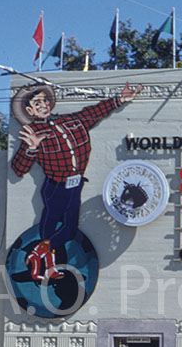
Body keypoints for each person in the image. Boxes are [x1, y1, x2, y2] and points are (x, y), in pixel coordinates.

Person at [10, 82, 141, 282]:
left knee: (69, 228)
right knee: (51, 225)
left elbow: (94, 112)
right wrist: (31, 149)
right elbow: (18, 169)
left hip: (76, 182)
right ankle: (44, 263)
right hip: (55, 186)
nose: (44, 105)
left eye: (45, 100)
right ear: (29, 110)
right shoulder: (33, 133)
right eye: (37, 103)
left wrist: (119, 99)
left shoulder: (69, 121)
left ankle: (39, 257)